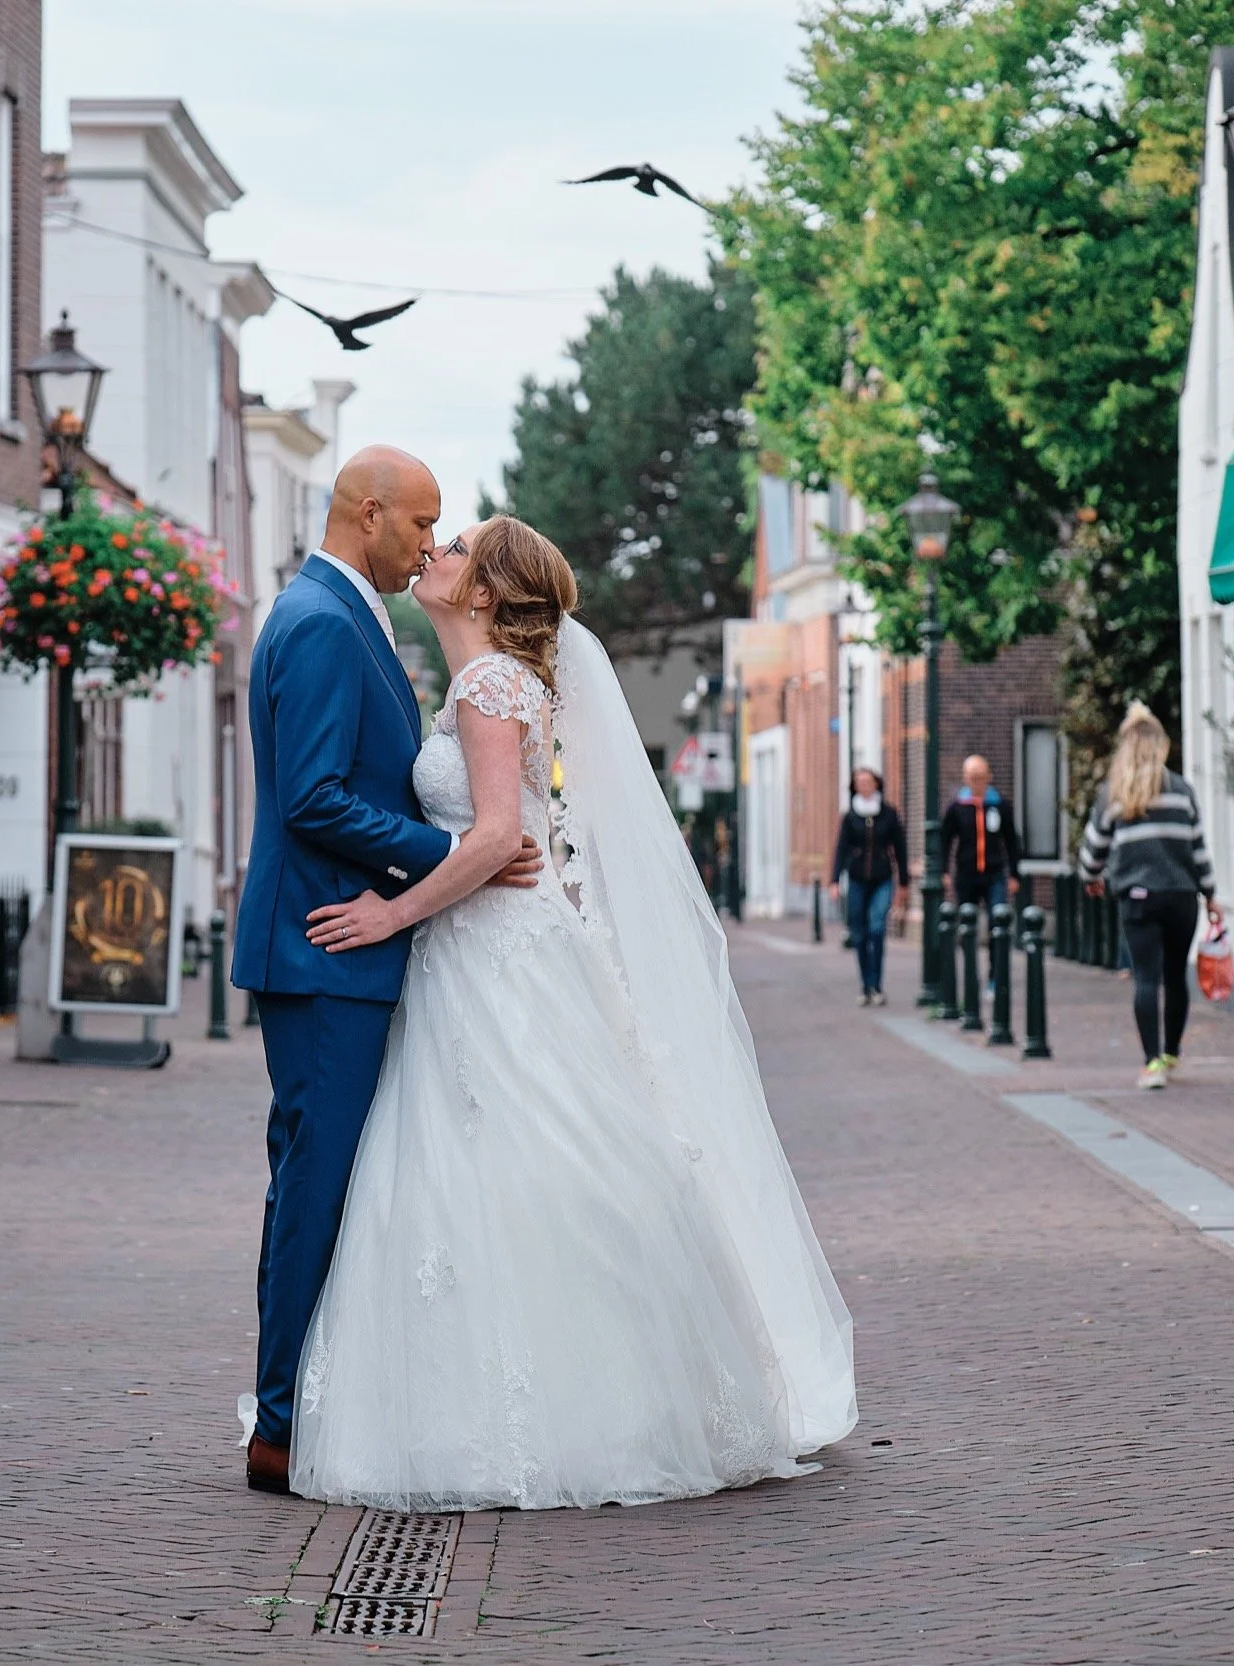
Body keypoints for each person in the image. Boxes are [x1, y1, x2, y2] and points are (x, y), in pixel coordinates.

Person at [284, 516, 857, 1510]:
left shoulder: (487, 685)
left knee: (520, 1149)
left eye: (455, 548)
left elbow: (496, 836)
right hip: (489, 944)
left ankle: (557, 1408)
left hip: (491, 948)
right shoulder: (484, 685)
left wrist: (390, 913)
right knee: (512, 1151)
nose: (434, 553)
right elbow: (507, 838)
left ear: (485, 593)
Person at [230, 448, 544, 1496]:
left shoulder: (338, 611)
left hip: (338, 946)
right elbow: (314, 798)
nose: (428, 544)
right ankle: (280, 1425)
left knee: (318, 1179)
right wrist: (452, 853)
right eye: (419, 523)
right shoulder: (323, 622)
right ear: (368, 514)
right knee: (314, 1184)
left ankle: (300, 1407)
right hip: (328, 946)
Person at [1077, 704, 1219, 1090]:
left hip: (1138, 897)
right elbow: (1198, 849)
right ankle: (1171, 1053)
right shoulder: (1182, 790)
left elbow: (1093, 849)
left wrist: (1091, 877)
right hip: (1181, 897)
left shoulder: (1114, 793)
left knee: (1145, 978)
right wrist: (1210, 894)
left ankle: (1152, 1063)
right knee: (1175, 976)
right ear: (1160, 745)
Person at [831, 766, 908, 1005]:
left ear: (876, 784)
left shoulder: (889, 814)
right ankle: (865, 986)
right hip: (856, 879)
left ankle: (876, 985)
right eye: (860, 783)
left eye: (868, 782)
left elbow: (900, 848)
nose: (864, 786)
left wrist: (904, 882)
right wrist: (834, 880)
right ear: (855, 787)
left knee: (877, 928)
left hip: (882, 878)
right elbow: (841, 849)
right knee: (860, 934)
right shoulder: (850, 816)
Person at [940, 755, 1019, 922]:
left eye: (980, 777)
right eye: (973, 777)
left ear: (989, 777)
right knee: (966, 918)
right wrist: (944, 870)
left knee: (997, 917)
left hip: (994, 871)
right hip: (966, 871)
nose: (977, 782)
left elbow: (1011, 840)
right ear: (965, 778)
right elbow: (945, 840)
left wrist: (1014, 874)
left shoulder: (999, 805)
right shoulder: (957, 807)